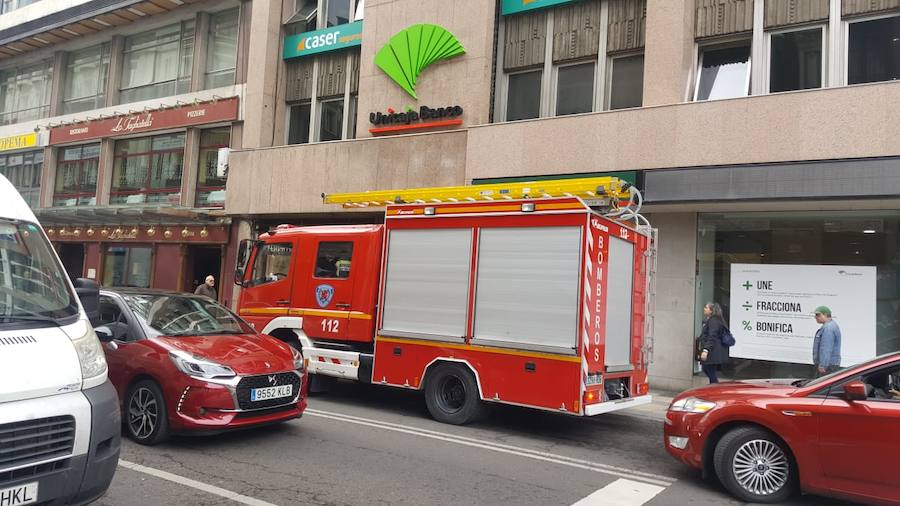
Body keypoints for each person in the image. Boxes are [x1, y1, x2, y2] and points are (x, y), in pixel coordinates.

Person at [698, 302, 729, 384]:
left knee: (710, 371)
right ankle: (715, 387)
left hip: (713, 351)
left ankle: (715, 389)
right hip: (713, 350)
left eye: (706, 307)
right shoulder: (713, 320)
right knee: (707, 369)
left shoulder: (713, 321)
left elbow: (712, 336)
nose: (704, 309)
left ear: (711, 311)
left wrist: (706, 350)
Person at [812, 305, 841, 378]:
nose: (815, 317)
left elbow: (826, 348)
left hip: (828, 366)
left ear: (825, 315)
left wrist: (823, 365)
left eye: (818, 315)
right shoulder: (831, 326)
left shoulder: (828, 328)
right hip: (830, 365)